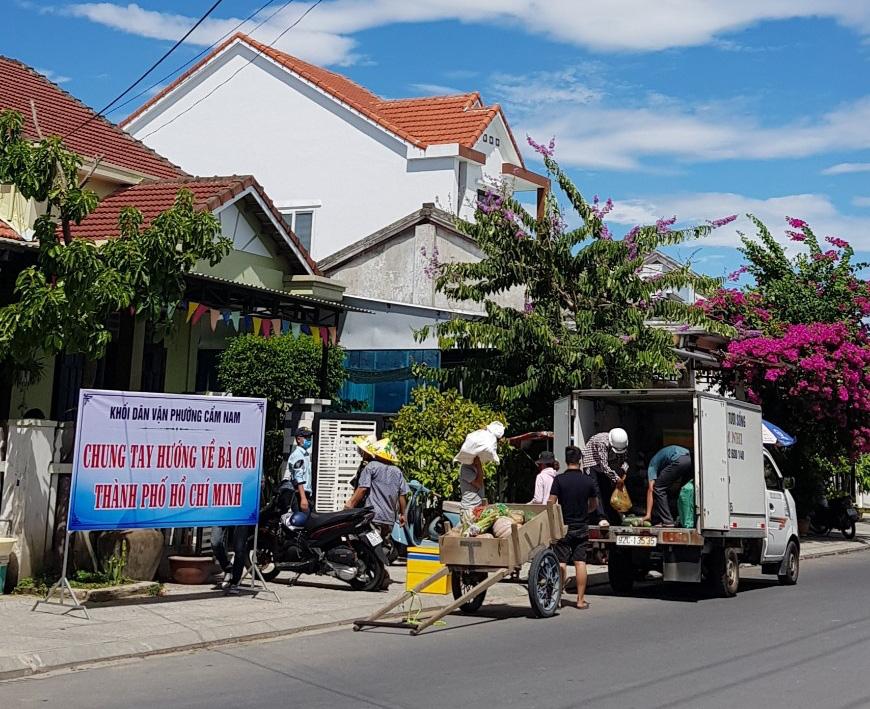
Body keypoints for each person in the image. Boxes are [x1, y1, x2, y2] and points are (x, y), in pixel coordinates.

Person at [345, 437, 408, 590]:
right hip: (388, 519)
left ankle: (379, 576)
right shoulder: (397, 472)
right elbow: (402, 495)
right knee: (382, 547)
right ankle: (381, 577)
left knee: (370, 546)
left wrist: (350, 504)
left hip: (373, 517)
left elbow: (363, 488)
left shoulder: (371, 467)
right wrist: (402, 514)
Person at [548, 445, 598, 610]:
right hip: (581, 526)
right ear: (580, 460)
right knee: (580, 562)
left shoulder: (559, 480)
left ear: (566, 460)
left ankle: (558, 599)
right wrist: (586, 510)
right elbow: (593, 504)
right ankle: (580, 600)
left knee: (561, 563)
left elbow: (551, 502)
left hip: (564, 527)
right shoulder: (588, 481)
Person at [457, 421, 505, 524]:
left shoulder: (474, 468)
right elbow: (479, 484)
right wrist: (479, 465)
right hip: (469, 509)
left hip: (477, 508)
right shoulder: (465, 468)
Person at [580, 428, 629, 527]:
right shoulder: (601, 442)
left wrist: (623, 472)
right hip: (592, 463)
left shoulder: (622, 443)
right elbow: (604, 466)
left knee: (607, 490)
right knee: (596, 491)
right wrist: (616, 478)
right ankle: (601, 518)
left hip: (604, 466)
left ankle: (614, 518)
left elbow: (624, 460)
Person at [644, 444, 693, 526]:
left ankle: (667, 521)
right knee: (684, 490)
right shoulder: (662, 455)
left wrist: (648, 514)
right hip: (691, 460)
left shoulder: (652, 463)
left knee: (659, 488)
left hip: (680, 460)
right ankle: (683, 519)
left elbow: (651, 489)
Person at [211, 524, 250, 595]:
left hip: (241, 515)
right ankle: (228, 568)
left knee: (239, 548)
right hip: (221, 514)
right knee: (215, 543)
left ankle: (235, 581)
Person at [284, 426, 314, 513]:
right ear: (298, 439)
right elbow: (298, 478)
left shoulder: (305, 455)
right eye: (307, 437)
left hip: (305, 494)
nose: (309, 440)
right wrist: (303, 499)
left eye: (310, 437)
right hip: (300, 495)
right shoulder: (298, 455)